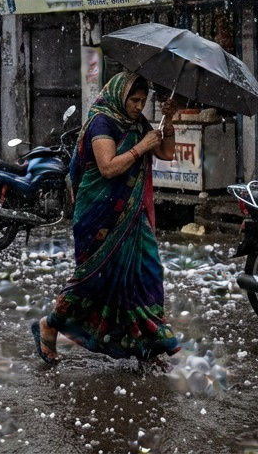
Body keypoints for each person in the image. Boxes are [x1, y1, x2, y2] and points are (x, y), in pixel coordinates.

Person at [34, 72, 181, 367]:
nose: (139, 106)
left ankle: (147, 344)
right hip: (99, 213)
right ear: (119, 96)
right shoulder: (103, 121)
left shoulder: (137, 123)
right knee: (94, 281)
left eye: (143, 101)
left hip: (132, 214)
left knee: (146, 274)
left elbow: (165, 151)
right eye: (134, 100)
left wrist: (169, 122)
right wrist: (141, 146)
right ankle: (50, 324)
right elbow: (107, 168)